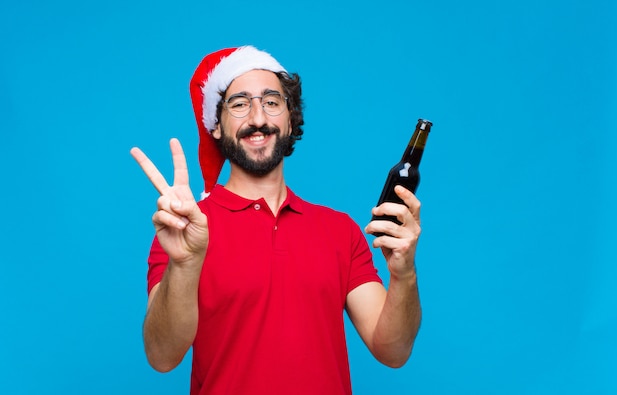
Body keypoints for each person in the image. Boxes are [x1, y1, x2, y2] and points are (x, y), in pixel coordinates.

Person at [130, 46, 422, 395]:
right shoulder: (186, 227)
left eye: (271, 101)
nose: (257, 117)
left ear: (289, 118)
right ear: (217, 126)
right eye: (239, 103)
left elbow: (393, 350)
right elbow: (162, 356)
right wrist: (186, 263)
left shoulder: (339, 230)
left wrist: (404, 274)